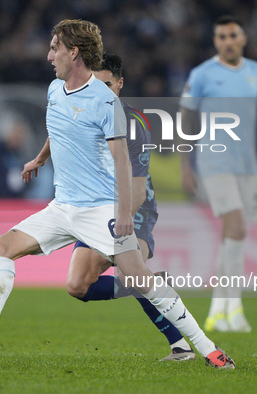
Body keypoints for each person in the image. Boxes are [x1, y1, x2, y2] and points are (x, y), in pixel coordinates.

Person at [0, 19, 234, 369]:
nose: (49, 55)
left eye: (54, 48)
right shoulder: (54, 89)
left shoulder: (104, 101)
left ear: (73, 52)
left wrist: (124, 213)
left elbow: (122, 161)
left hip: (99, 211)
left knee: (139, 279)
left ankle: (209, 350)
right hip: (62, 207)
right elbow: (59, 125)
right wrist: (41, 156)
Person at [63, 53, 194, 361]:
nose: (101, 91)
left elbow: (135, 188)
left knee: (132, 273)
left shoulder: (133, 124)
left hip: (133, 207)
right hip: (98, 209)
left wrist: (120, 220)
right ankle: (150, 284)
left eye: (108, 85)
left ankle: (181, 346)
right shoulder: (82, 118)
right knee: (77, 285)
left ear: (120, 85)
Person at [179, 15, 257, 333]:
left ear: (242, 38)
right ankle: (235, 307)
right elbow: (185, 120)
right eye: (221, 37)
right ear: (216, 42)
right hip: (214, 163)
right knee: (235, 228)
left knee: (235, 237)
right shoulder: (202, 74)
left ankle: (218, 309)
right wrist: (185, 165)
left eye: (233, 35)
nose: (228, 41)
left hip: (248, 165)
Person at [0, 120, 32, 198]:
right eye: (15, 134)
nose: (18, 138)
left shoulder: (22, 155)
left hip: (17, 201)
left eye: (20, 135)